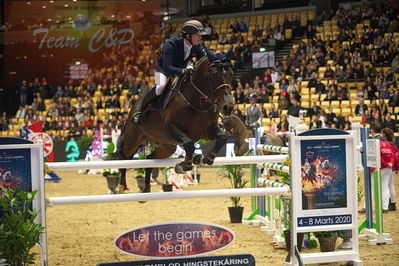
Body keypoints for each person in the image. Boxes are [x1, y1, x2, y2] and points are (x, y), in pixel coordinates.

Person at [131, 20, 230, 125]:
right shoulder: (171, 44)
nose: (200, 38)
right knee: (161, 87)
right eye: (198, 35)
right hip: (162, 69)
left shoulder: (197, 45)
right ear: (188, 36)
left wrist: (221, 60)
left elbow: (207, 58)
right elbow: (167, 67)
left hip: (181, 68)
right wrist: (183, 70)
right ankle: (139, 110)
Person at [370, 124, 394, 212]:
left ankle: (367, 207)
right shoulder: (387, 142)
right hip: (388, 168)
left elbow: (376, 156)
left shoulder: (373, 141)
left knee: (372, 187)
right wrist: (389, 164)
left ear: (372, 131)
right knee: (385, 187)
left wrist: (385, 164)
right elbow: (392, 155)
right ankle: (385, 207)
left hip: (378, 168)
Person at [382, 128, 398, 211]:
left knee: (389, 186)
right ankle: (391, 202)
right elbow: (396, 157)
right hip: (393, 167)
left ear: (384, 134)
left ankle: (392, 203)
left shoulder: (387, 144)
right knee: (390, 185)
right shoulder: (393, 145)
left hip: (389, 167)